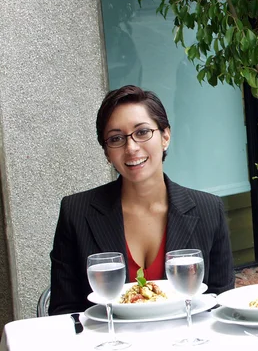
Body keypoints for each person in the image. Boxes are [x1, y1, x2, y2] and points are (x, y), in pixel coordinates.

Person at [49, 85, 235, 315]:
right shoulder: (76, 213)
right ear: (107, 152)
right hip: (107, 346)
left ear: (165, 136)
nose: (131, 147)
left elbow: (220, 303)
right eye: (116, 138)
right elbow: (64, 311)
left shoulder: (208, 210)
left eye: (142, 132)